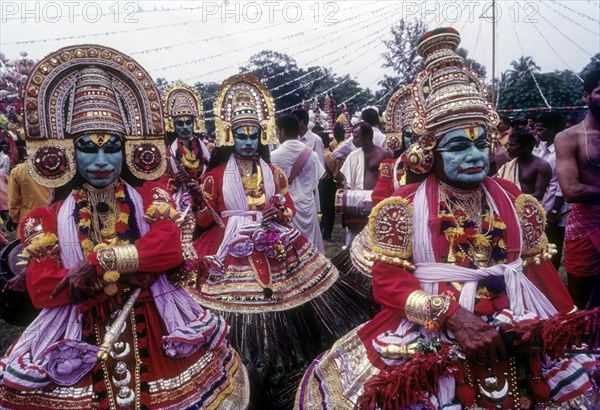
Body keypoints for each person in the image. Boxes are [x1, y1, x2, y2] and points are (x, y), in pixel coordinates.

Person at [297, 28, 594, 410]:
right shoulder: (402, 205)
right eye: (457, 146)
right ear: (429, 153)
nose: (473, 155)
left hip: (518, 314)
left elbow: (540, 270)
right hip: (435, 318)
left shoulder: (516, 200)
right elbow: (388, 282)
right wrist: (452, 316)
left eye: (479, 143)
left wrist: (568, 325)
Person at [0, 45, 249, 409]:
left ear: (127, 149)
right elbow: (42, 290)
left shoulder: (150, 196)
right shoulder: (46, 219)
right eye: (88, 148)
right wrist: (125, 270)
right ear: (68, 152)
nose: (101, 161)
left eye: (111, 147)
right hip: (75, 334)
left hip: (157, 324)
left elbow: (167, 248)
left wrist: (101, 262)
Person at [188, 74, 372, 408]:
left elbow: (285, 207)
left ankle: (284, 358)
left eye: (253, 135)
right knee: (234, 305)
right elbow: (205, 221)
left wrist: (278, 213)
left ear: (262, 136)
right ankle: (237, 359)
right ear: (230, 137)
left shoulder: (273, 172)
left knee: (288, 300)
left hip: (274, 239)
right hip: (228, 243)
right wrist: (200, 203)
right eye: (241, 135)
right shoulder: (214, 175)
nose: (247, 141)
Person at [556, 68, 600, 309]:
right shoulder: (569, 138)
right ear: (586, 96)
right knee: (578, 302)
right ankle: (577, 345)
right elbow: (571, 190)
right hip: (585, 226)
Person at [271, 113, 325, 251]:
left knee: (290, 246)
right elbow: (320, 176)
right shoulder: (312, 155)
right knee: (311, 246)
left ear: (282, 131)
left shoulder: (273, 156)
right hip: (307, 205)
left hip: (286, 208)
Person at [339, 122, 392, 246]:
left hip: (377, 201)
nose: (353, 141)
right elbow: (346, 178)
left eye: (356, 137)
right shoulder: (353, 155)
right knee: (354, 239)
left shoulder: (384, 154)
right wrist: (346, 186)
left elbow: (389, 179)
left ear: (367, 137)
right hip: (356, 202)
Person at [161, 82, 211, 212]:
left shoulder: (207, 148)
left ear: (194, 123)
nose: (184, 127)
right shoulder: (168, 154)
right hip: (180, 201)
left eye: (188, 122)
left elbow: (214, 177)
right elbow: (163, 186)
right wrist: (176, 181)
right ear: (173, 126)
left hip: (205, 198)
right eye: (180, 124)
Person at [534, 112, 569, 269]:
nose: (538, 133)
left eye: (541, 129)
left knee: (553, 248)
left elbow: (562, 183)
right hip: (543, 206)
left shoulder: (560, 151)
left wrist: (555, 210)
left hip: (555, 210)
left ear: (552, 129)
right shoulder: (543, 147)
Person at [497, 128, 552, 201]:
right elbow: (495, 181)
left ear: (526, 147)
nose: (508, 148)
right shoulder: (508, 166)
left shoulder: (542, 166)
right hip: (509, 207)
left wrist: (513, 200)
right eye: (508, 144)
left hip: (530, 209)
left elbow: (539, 195)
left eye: (512, 145)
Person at [6, 161, 52, 232]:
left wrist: (13, 219)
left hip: (28, 220)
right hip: (49, 215)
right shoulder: (52, 166)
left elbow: (14, 200)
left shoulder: (18, 171)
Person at [320, 123, 345, 241]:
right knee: (329, 210)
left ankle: (320, 231)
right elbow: (336, 172)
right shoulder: (330, 155)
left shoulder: (315, 154)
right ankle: (327, 234)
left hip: (317, 184)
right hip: (328, 184)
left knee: (320, 209)